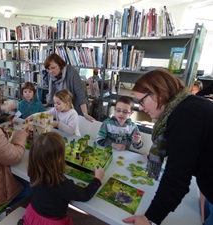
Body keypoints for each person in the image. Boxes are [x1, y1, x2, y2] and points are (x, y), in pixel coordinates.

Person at [122, 69, 213, 225]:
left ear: (159, 93)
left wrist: (150, 217)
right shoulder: (188, 105)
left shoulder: (186, 115)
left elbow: (177, 178)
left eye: (141, 101)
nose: (141, 107)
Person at [22, 132, 104, 225]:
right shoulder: (62, 184)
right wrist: (97, 178)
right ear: (59, 159)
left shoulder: (34, 172)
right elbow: (85, 195)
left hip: (33, 216)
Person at [44, 53, 95, 122]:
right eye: (48, 69)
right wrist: (48, 104)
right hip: (59, 109)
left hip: (72, 110)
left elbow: (81, 95)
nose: (50, 71)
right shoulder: (51, 75)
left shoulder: (72, 73)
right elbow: (53, 93)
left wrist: (85, 113)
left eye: (53, 68)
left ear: (60, 65)